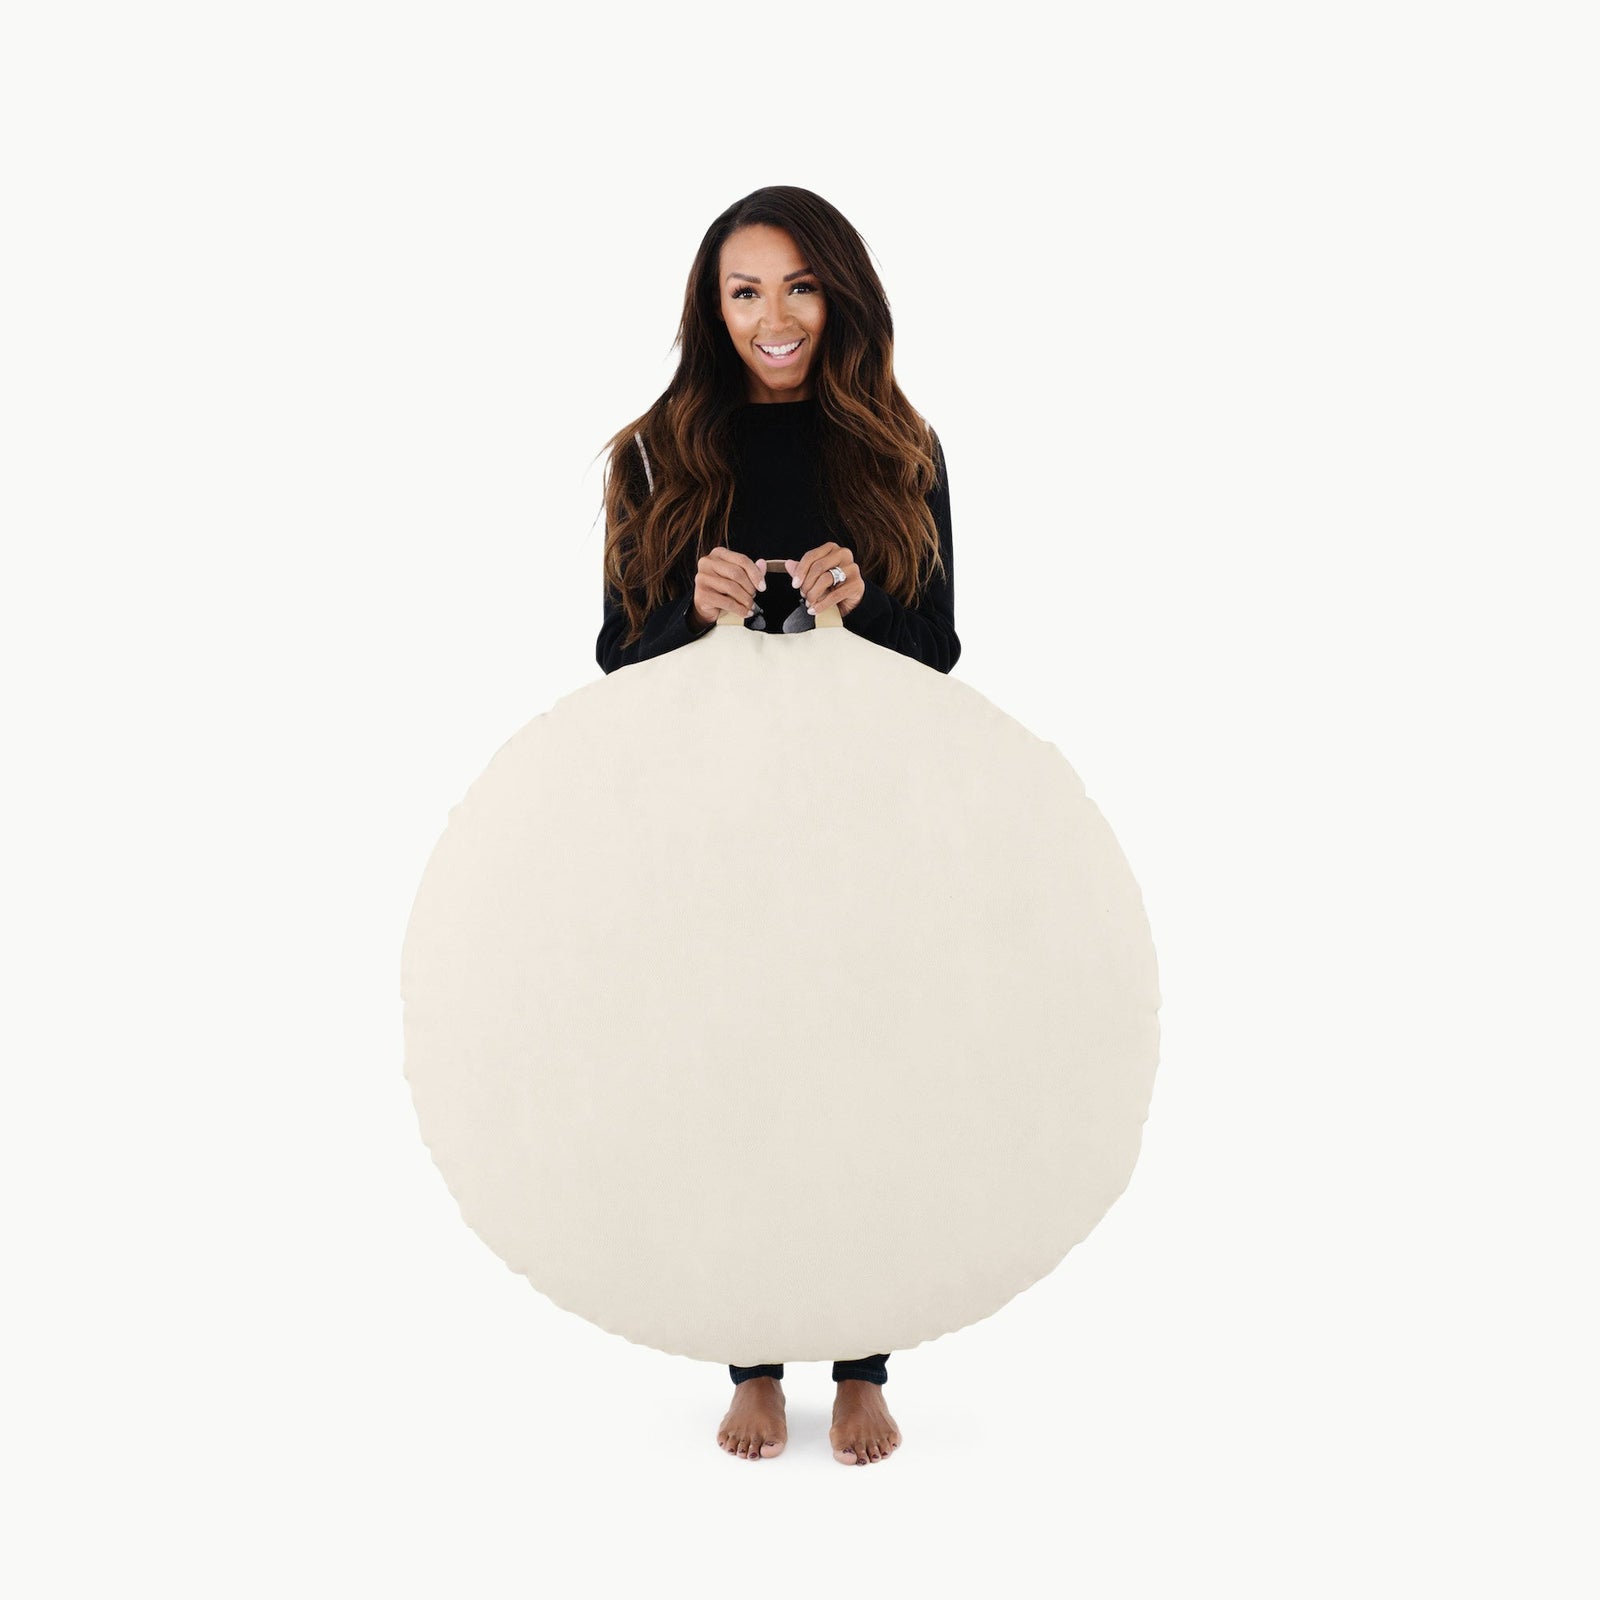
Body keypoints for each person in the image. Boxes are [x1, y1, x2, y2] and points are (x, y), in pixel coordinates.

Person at [593, 187, 961, 1465]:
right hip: (709, 811)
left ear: (839, 296)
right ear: (711, 307)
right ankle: (751, 1356)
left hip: (866, 806)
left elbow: (941, 653)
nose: (774, 317)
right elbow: (611, 659)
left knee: (864, 1069)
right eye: (744, 291)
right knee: (732, 1070)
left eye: (799, 286)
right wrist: (684, 615)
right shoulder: (653, 453)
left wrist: (866, 605)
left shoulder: (901, 448)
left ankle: (862, 1359)